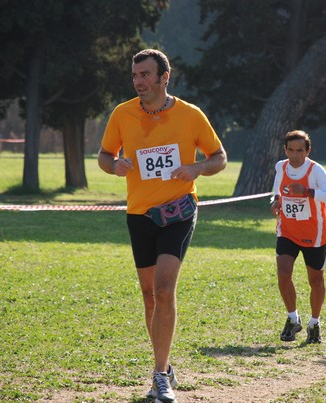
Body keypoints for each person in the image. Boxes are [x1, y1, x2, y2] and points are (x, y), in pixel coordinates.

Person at [98, 49, 227, 403]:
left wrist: (197, 169)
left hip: (179, 210)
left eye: (145, 74)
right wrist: (115, 166)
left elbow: (219, 157)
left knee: (165, 289)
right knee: (148, 295)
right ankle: (165, 364)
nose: (139, 81)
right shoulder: (122, 114)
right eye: (135, 75)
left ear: (163, 77)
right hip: (139, 214)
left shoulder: (190, 115)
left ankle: (159, 376)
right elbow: (104, 155)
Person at [269, 130, 326, 344]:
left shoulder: (315, 170)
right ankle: (293, 318)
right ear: (285, 150)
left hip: (314, 234)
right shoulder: (280, 167)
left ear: (308, 151)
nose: (295, 155)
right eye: (290, 150)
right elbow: (277, 190)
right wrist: (274, 202)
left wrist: (308, 192)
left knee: (316, 281)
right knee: (283, 273)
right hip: (288, 230)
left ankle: (314, 323)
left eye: (299, 150)